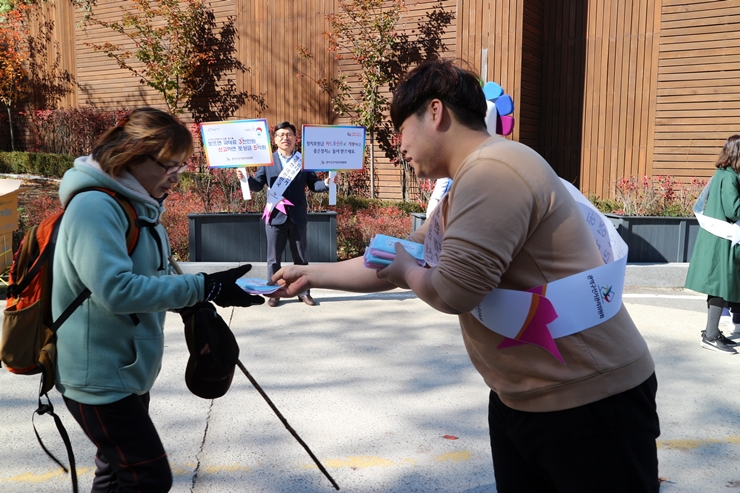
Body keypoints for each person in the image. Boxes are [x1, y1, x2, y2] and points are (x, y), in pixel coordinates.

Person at [269, 60, 660, 492]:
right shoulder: (466, 183)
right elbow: (397, 258)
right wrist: (309, 274)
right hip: (525, 398)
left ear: (435, 113)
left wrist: (405, 270)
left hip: (590, 401)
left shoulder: (495, 169)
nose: (399, 146)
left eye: (401, 130)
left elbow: (452, 289)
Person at [53, 107, 264, 493]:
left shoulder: (138, 207)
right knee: (148, 478)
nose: (175, 176)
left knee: (116, 474)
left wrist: (198, 299)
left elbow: (154, 278)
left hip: (125, 371)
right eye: (169, 165)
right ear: (132, 155)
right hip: (98, 377)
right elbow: (117, 290)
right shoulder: (95, 207)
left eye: (181, 167)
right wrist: (202, 287)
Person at [238, 121, 331, 308]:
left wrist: (328, 183)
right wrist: (246, 178)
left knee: (301, 259)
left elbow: (314, 186)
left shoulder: (303, 160)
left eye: (288, 134)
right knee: (273, 259)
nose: (285, 138)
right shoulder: (268, 161)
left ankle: (303, 292)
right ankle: (273, 292)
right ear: (275, 139)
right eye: (281, 135)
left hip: (297, 216)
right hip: (274, 217)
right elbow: (257, 185)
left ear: (295, 138)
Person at [685, 135, 740, 354]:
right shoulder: (729, 178)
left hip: (718, 239)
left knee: (718, 286)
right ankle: (710, 336)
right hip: (721, 241)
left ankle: (712, 333)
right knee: (718, 286)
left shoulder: (723, 174)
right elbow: (733, 210)